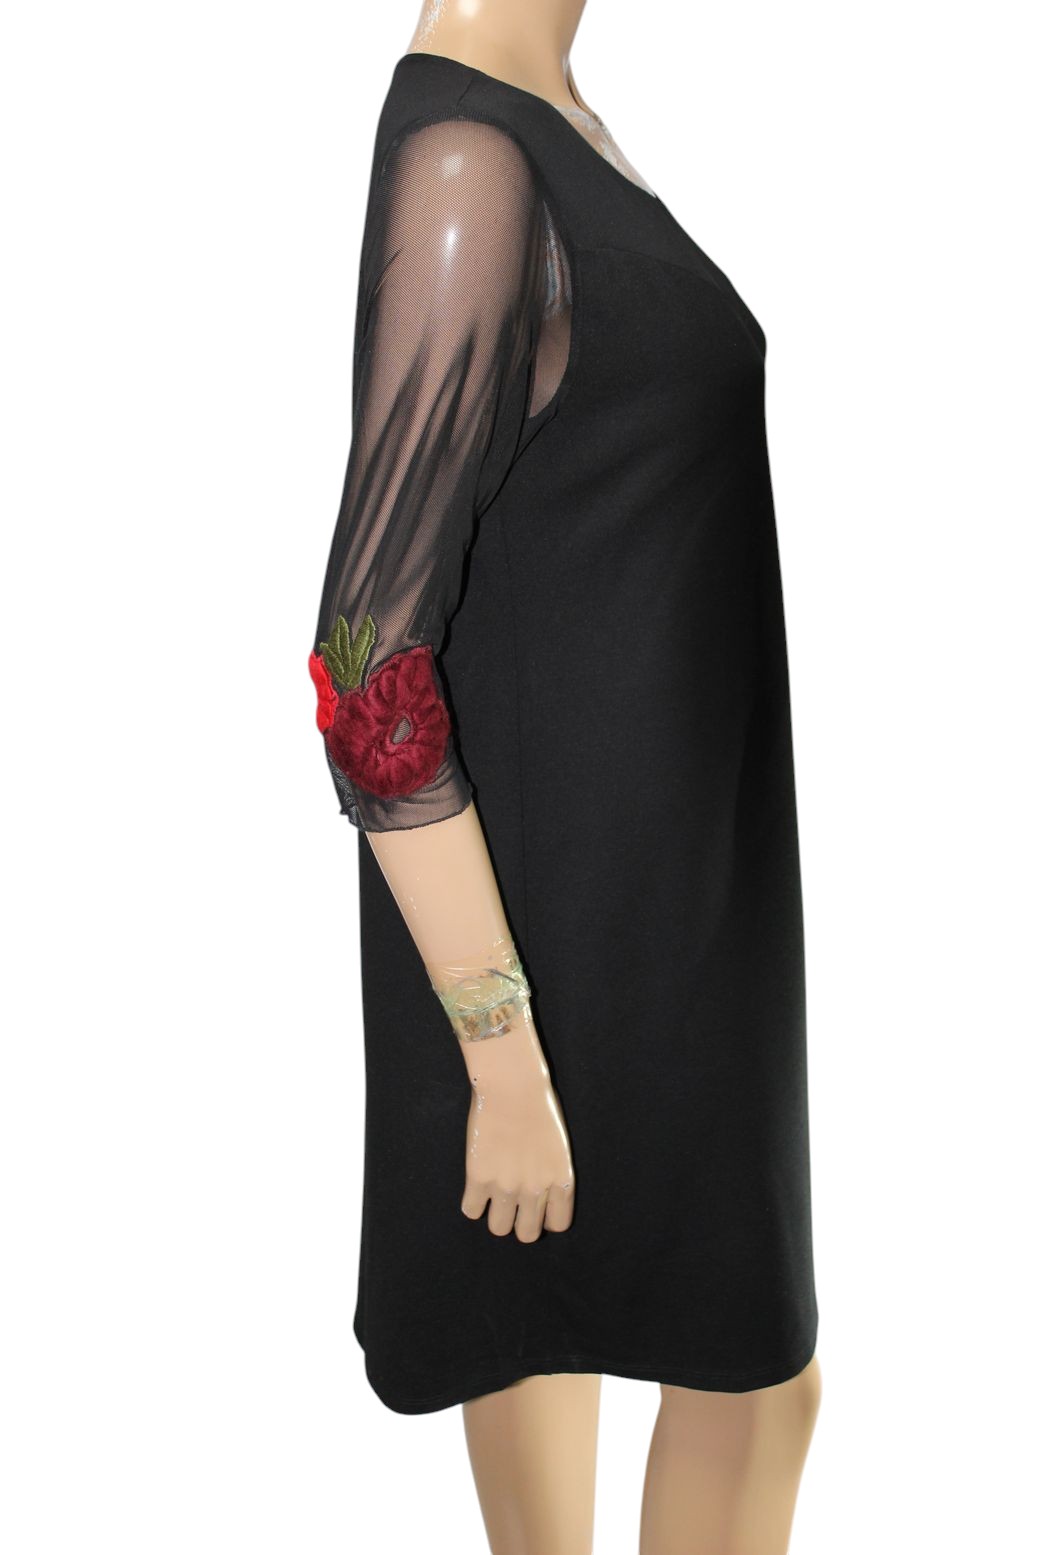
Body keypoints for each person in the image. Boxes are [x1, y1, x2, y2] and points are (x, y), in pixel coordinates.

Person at [308, 1, 822, 1548]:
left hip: (687, 916)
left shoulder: (553, 124)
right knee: (726, 1378)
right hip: (553, 948)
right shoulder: (471, 155)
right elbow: (365, 668)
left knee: (688, 1366)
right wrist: (499, 1050)